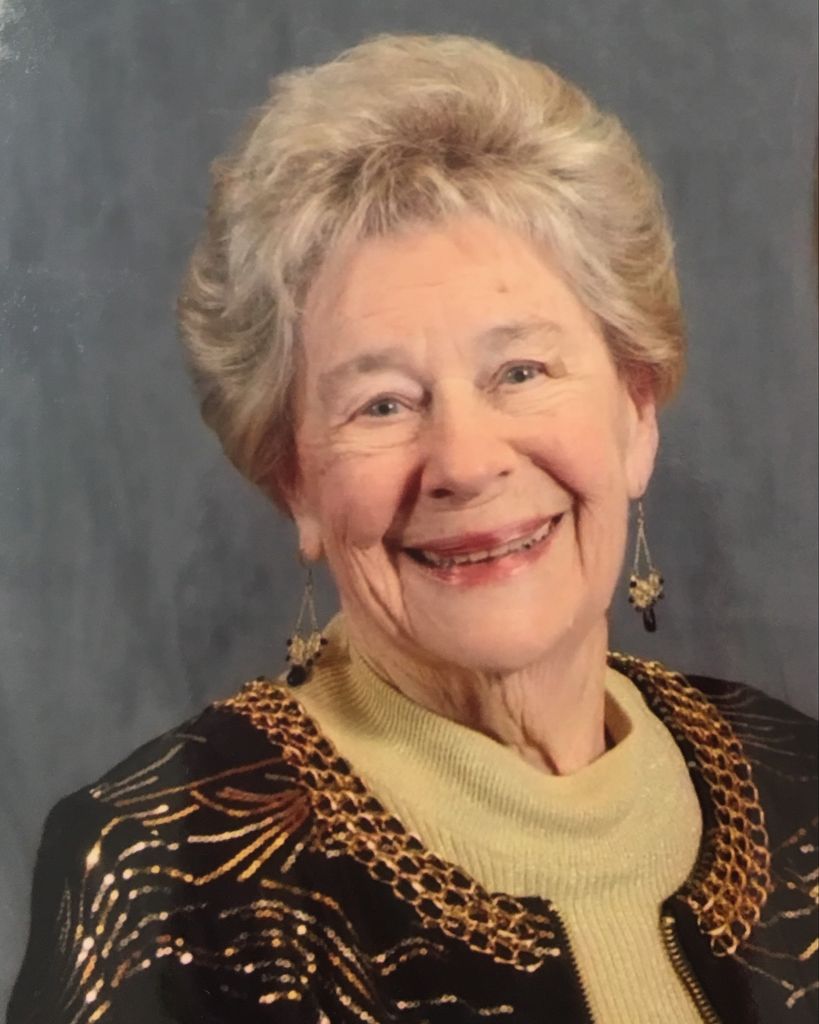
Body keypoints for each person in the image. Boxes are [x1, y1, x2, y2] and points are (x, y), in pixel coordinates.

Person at [8, 34, 816, 1024]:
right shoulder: (161, 872)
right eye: (382, 403)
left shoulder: (793, 781)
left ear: (636, 413)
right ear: (297, 483)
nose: (465, 463)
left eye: (519, 371)